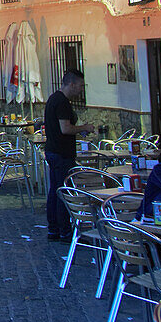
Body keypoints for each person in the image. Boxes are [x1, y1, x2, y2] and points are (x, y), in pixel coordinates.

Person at [44, 70, 95, 241]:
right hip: (61, 154)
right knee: (64, 192)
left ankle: (54, 230)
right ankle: (65, 231)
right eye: (80, 86)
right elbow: (65, 128)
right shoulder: (62, 102)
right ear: (71, 84)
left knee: (55, 191)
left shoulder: (53, 99)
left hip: (53, 151)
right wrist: (84, 128)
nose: (81, 90)